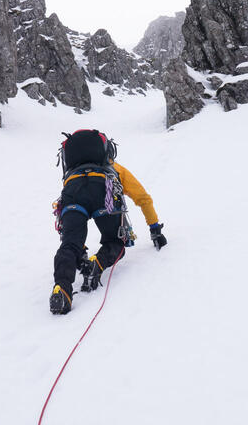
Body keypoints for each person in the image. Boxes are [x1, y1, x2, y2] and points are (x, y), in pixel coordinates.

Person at [50, 129, 167, 315]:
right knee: (115, 241)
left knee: (70, 243)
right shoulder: (114, 168)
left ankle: (61, 289)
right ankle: (98, 263)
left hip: (73, 191)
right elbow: (143, 198)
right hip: (103, 190)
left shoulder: (73, 171)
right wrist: (154, 228)